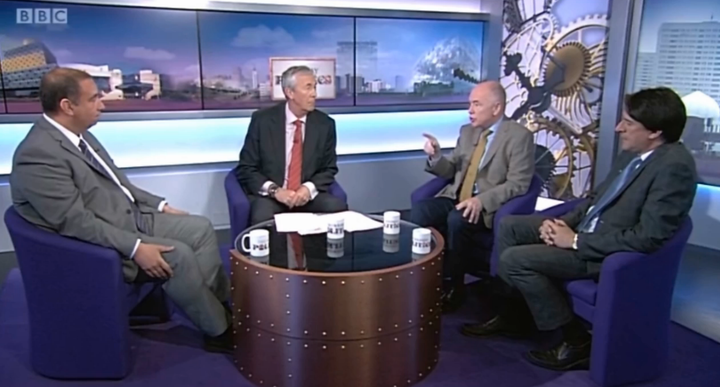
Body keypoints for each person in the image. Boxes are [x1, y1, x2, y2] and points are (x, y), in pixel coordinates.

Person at [460, 87, 698, 371]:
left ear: (654, 132)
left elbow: (647, 238)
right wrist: (563, 224)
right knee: (511, 227)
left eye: (628, 123)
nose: (618, 128)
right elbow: (594, 200)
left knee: (514, 260)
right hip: (585, 231)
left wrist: (574, 241)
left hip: (604, 253)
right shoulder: (634, 152)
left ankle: (576, 339)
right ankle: (515, 315)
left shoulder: (675, 169)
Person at [9, 68, 233, 353]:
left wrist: (160, 205)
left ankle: (216, 307)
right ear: (67, 106)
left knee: (199, 227)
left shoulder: (79, 134)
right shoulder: (38, 155)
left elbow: (119, 183)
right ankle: (221, 331)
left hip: (126, 216)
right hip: (98, 241)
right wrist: (136, 247)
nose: (102, 105)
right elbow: (75, 223)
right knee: (178, 255)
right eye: (93, 99)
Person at [411, 80, 536, 312]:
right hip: (456, 197)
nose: (470, 110)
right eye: (470, 103)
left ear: (496, 108)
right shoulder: (467, 132)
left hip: (486, 206)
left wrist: (482, 200)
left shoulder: (520, 137)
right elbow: (451, 171)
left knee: (457, 221)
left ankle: (454, 287)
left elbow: (518, 184)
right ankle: (421, 278)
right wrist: (437, 156)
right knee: (419, 211)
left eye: (476, 104)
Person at [236, 65, 347, 225]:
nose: (314, 94)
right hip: (273, 196)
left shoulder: (325, 124)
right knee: (262, 216)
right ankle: (275, 251)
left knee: (337, 209)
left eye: (315, 87)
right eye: (308, 88)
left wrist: (307, 189)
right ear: (290, 92)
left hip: (306, 196)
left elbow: (328, 169)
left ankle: (318, 251)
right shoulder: (263, 121)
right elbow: (246, 168)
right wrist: (276, 191)